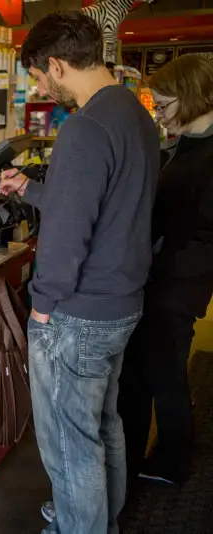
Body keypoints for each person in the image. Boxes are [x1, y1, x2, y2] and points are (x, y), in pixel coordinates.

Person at [0, 11, 159, 534]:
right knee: (102, 425)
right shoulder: (132, 112)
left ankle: (79, 526)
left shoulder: (84, 127)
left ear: (57, 65)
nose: (41, 87)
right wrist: (32, 189)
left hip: (78, 313)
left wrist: (42, 304)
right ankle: (96, 517)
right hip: (121, 303)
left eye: (39, 76)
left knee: (70, 446)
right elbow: (101, 202)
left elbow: (68, 236)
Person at [118, 54, 213, 486]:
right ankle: (153, 454)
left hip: (178, 281)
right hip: (167, 276)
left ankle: (172, 459)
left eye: (164, 104)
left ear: (191, 96)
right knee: (156, 368)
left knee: (164, 371)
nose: (159, 113)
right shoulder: (186, 144)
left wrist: (156, 262)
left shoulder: (204, 153)